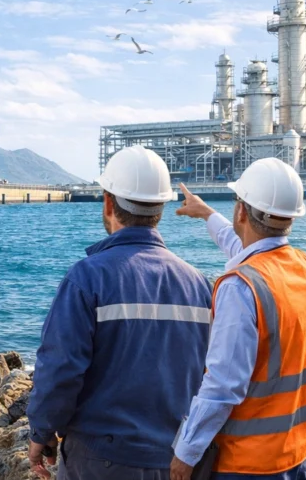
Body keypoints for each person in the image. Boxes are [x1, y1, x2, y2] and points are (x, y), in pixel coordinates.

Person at [27, 145, 212, 480]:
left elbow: (61, 369)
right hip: (175, 459)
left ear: (109, 202)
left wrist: (42, 432)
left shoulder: (86, 277)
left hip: (99, 460)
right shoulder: (199, 283)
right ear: (161, 206)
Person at [172, 158, 306, 480]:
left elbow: (223, 385)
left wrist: (186, 452)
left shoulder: (241, 286)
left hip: (247, 462)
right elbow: (243, 246)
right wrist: (207, 214)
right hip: (297, 451)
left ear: (241, 211)